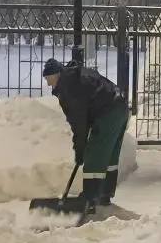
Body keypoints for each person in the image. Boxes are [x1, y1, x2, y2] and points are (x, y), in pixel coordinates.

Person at [43, 58, 128, 211]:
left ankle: (90, 198)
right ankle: (104, 194)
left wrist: (80, 149)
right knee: (109, 154)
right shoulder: (75, 77)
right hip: (120, 107)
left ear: (58, 74)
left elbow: (79, 123)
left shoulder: (70, 88)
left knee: (94, 154)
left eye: (49, 78)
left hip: (108, 112)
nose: (48, 84)